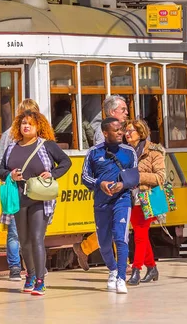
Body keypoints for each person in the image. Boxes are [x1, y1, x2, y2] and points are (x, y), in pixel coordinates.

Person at [0, 110, 72, 296]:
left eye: (30, 123)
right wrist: (10, 175)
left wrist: (52, 174)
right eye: (23, 123)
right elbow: (0, 169)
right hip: (19, 197)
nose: (26, 126)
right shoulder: (12, 147)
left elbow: (66, 162)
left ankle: (40, 280)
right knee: (24, 240)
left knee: (37, 238)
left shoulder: (47, 145)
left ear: (39, 127)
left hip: (40, 198)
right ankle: (29, 275)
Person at [82, 117, 139, 294]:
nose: (121, 132)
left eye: (121, 129)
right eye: (116, 130)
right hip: (101, 202)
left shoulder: (129, 152)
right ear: (105, 133)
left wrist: (123, 185)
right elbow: (85, 177)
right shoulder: (93, 153)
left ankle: (121, 278)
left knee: (121, 238)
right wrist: (100, 184)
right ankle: (113, 270)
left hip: (122, 200)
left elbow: (135, 176)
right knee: (104, 243)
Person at [73, 94, 130, 271]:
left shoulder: (121, 129)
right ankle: (88, 249)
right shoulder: (103, 132)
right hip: (109, 184)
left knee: (121, 224)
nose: (127, 113)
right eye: (123, 110)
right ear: (112, 112)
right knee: (115, 224)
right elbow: (102, 159)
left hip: (121, 182)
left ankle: (86, 249)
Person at [0, 98, 41, 281]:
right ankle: (16, 267)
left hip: (36, 189)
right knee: (16, 230)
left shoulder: (41, 136)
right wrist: (9, 175)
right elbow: (0, 164)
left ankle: (31, 267)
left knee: (33, 231)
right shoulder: (9, 135)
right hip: (16, 189)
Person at [123, 119, 165, 285]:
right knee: (141, 235)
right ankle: (152, 267)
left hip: (147, 198)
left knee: (140, 235)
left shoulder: (154, 151)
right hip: (130, 198)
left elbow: (160, 177)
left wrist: (139, 176)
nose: (127, 134)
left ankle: (136, 270)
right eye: (126, 131)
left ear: (140, 133)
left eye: (130, 131)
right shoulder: (125, 151)